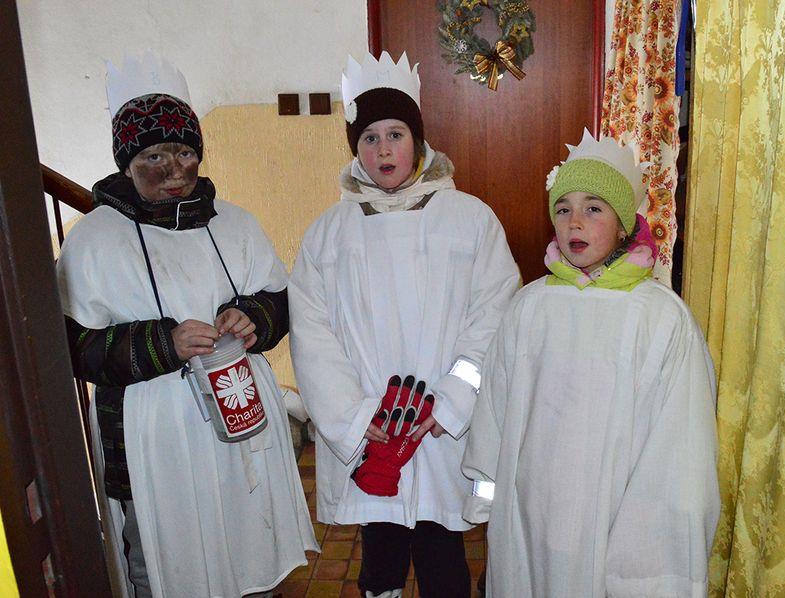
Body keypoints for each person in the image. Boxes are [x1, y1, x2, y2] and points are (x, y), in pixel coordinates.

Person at [56, 52, 317, 597]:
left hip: (238, 416)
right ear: (126, 162)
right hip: (150, 438)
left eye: (184, 152)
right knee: (165, 564)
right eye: (153, 155)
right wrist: (163, 342)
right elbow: (73, 345)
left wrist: (253, 318)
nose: (174, 169)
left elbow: (278, 297)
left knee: (248, 546)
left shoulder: (236, 223)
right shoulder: (94, 239)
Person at [289, 51, 519, 598]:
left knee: (442, 552)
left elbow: (494, 314)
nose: (384, 149)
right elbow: (312, 334)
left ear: (418, 141)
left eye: (396, 134)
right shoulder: (329, 234)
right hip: (373, 429)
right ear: (355, 149)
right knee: (381, 548)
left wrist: (451, 402)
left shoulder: (470, 220)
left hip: (437, 425)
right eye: (369, 138)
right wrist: (355, 414)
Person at [461, 129, 720, 597]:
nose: (575, 222)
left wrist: (647, 550)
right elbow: (495, 407)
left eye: (594, 208)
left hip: (613, 520)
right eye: (563, 209)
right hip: (530, 513)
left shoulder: (661, 318)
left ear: (623, 225)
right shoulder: (529, 307)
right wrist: (489, 498)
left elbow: (680, 444)